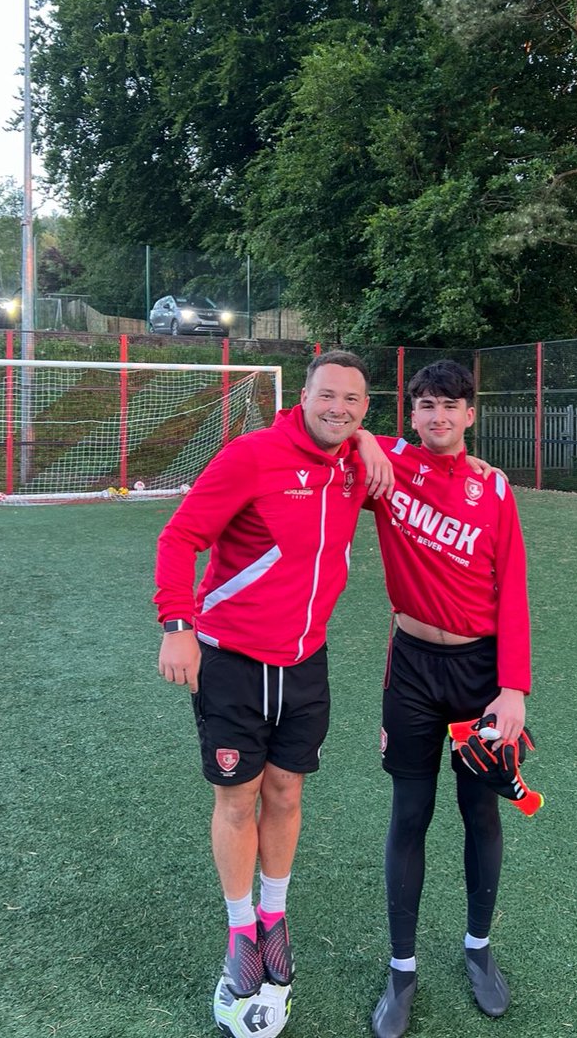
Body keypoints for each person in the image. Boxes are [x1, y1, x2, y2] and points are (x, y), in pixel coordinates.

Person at [153, 350, 391, 1001]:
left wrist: (369, 441)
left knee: (286, 792)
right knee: (237, 798)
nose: (339, 408)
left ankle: (273, 916)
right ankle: (239, 931)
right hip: (231, 660)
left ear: (365, 407)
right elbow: (179, 538)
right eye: (328, 396)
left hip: (306, 662)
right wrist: (178, 625)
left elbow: (424, 458)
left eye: (353, 401)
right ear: (304, 397)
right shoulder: (252, 456)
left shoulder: (355, 462)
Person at [362, 360, 532, 1038]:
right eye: (426, 404)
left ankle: (477, 950)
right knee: (409, 814)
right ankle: (402, 970)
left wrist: (512, 688)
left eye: (451, 406)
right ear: (410, 413)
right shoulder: (385, 467)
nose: (438, 416)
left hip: (478, 672)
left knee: (479, 813)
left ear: (470, 415)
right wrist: (368, 442)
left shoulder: (493, 488)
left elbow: (512, 588)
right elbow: (322, 428)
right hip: (409, 668)